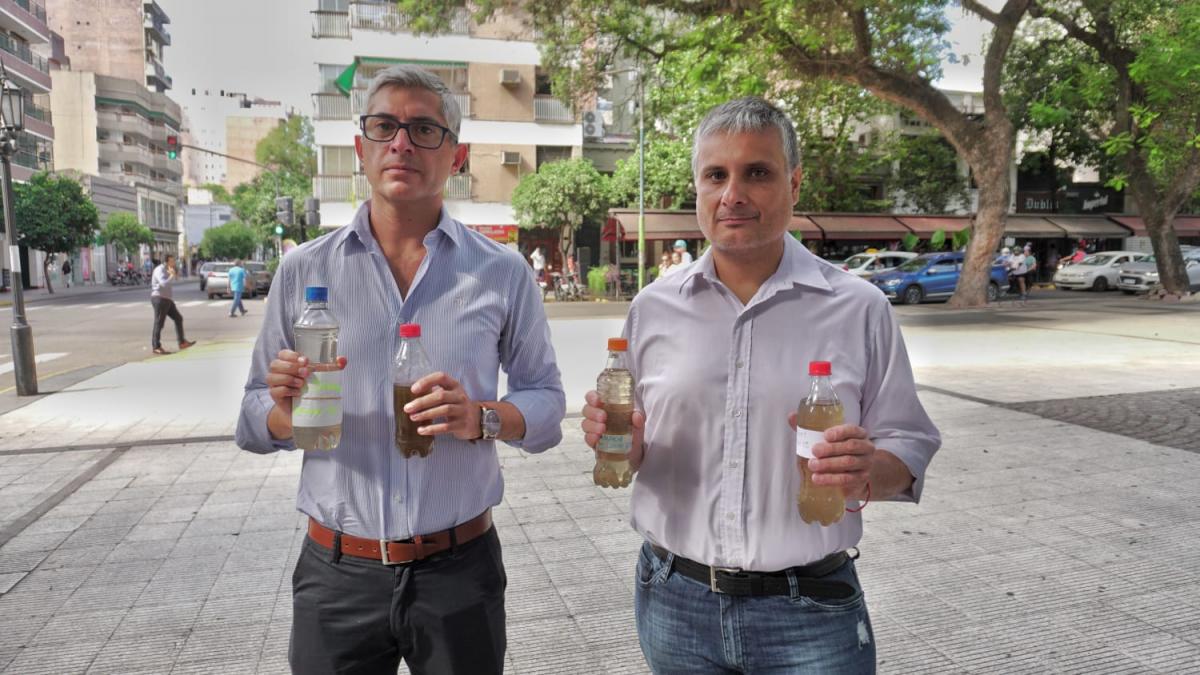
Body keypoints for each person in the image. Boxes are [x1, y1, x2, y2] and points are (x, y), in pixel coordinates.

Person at [579, 97, 941, 673]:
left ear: (794, 184)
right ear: (697, 188)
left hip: (811, 613)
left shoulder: (858, 308)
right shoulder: (653, 309)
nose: (733, 194)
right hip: (675, 600)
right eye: (716, 175)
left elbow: (909, 440)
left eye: (758, 173)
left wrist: (867, 467)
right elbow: (636, 443)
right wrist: (617, 438)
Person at [235, 64, 566, 675]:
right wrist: (285, 413)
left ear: (457, 155)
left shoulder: (501, 272)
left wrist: (482, 417)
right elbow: (252, 420)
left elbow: (546, 406)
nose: (402, 143)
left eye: (423, 129)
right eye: (385, 126)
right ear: (361, 147)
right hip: (337, 575)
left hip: (459, 571)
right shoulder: (304, 272)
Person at [150, 253, 196, 355]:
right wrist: (171, 275)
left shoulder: (168, 269)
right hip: (159, 299)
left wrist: (174, 274)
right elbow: (163, 283)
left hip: (167, 299)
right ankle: (156, 346)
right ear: (166, 261)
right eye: (171, 261)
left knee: (178, 318)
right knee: (159, 323)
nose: (173, 262)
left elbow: (175, 279)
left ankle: (182, 342)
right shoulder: (159, 269)